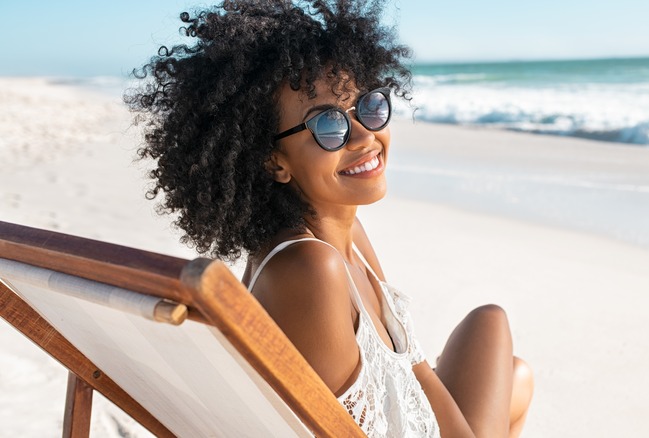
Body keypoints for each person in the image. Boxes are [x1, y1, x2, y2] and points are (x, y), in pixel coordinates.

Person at [126, 1, 533, 436]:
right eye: (328, 125)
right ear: (273, 161)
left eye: (369, 107)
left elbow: (414, 368)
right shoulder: (308, 268)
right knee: (513, 379)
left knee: (501, 343)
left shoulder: (347, 232)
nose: (364, 136)